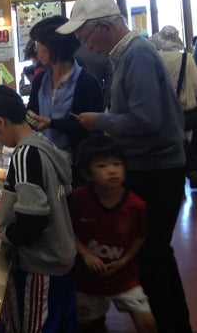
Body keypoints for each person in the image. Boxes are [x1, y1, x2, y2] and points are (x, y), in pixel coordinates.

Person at [57, 0, 191, 332]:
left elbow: (146, 119)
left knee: (153, 256)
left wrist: (99, 121)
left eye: (85, 36)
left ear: (104, 27)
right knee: (152, 255)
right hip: (150, 165)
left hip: (157, 169)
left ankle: (173, 324)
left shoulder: (137, 55)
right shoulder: (128, 55)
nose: (87, 46)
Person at [0, 85, 76, 332]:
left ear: (0, 122)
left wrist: (4, 235)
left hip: (41, 267)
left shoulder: (24, 154)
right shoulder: (43, 143)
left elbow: (34, 219)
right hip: (61, 260)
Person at [70, 134, 156, 333]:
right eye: (102, 166)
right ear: (87, 173)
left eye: (117, 164)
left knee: (147, 321)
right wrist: (86, 254)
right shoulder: (79, 199)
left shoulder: (136, 205)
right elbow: (69, 230)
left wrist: (125, 260)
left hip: (123, 276)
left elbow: (140, 236)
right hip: (88, 279)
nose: (112, 170)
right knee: (84, 323)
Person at [26, 15, 104, 183]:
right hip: (44, 164)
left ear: (55, 45)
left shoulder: (88, 83)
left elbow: (91, 129)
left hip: (77, 169)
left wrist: (52, 123)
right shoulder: (40, 80)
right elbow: (31, 114)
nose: (36, 50)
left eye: (39, 44)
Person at [149, 26, 197, 186]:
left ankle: (175, 182)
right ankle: (191, 170)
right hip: (186, 113)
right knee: (187, 144)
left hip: (163, 115)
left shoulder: (155, 58)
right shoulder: (187, 58)